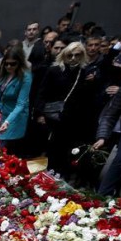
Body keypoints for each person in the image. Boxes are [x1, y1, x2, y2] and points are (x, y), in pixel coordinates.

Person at [35, 41, 90, 175]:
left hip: (70, 117)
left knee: (64, 148)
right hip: (51, 115)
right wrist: (39, 113)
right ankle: (42, 174)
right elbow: (42, 92)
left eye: (77, 55)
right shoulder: (54, 70)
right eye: (70, 55)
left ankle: (57, 175)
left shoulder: (83, 73)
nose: (73, 58)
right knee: (47, 146)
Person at [0, 46, 32, 155]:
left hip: (15, 116)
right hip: (1, 114)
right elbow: (0, 91)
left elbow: (21, 104)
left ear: (19, 63)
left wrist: (8, 121)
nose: (9, 66)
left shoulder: (26, 77)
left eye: (13, 64)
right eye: (6, 63)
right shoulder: (5, 73)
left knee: (6, 149)